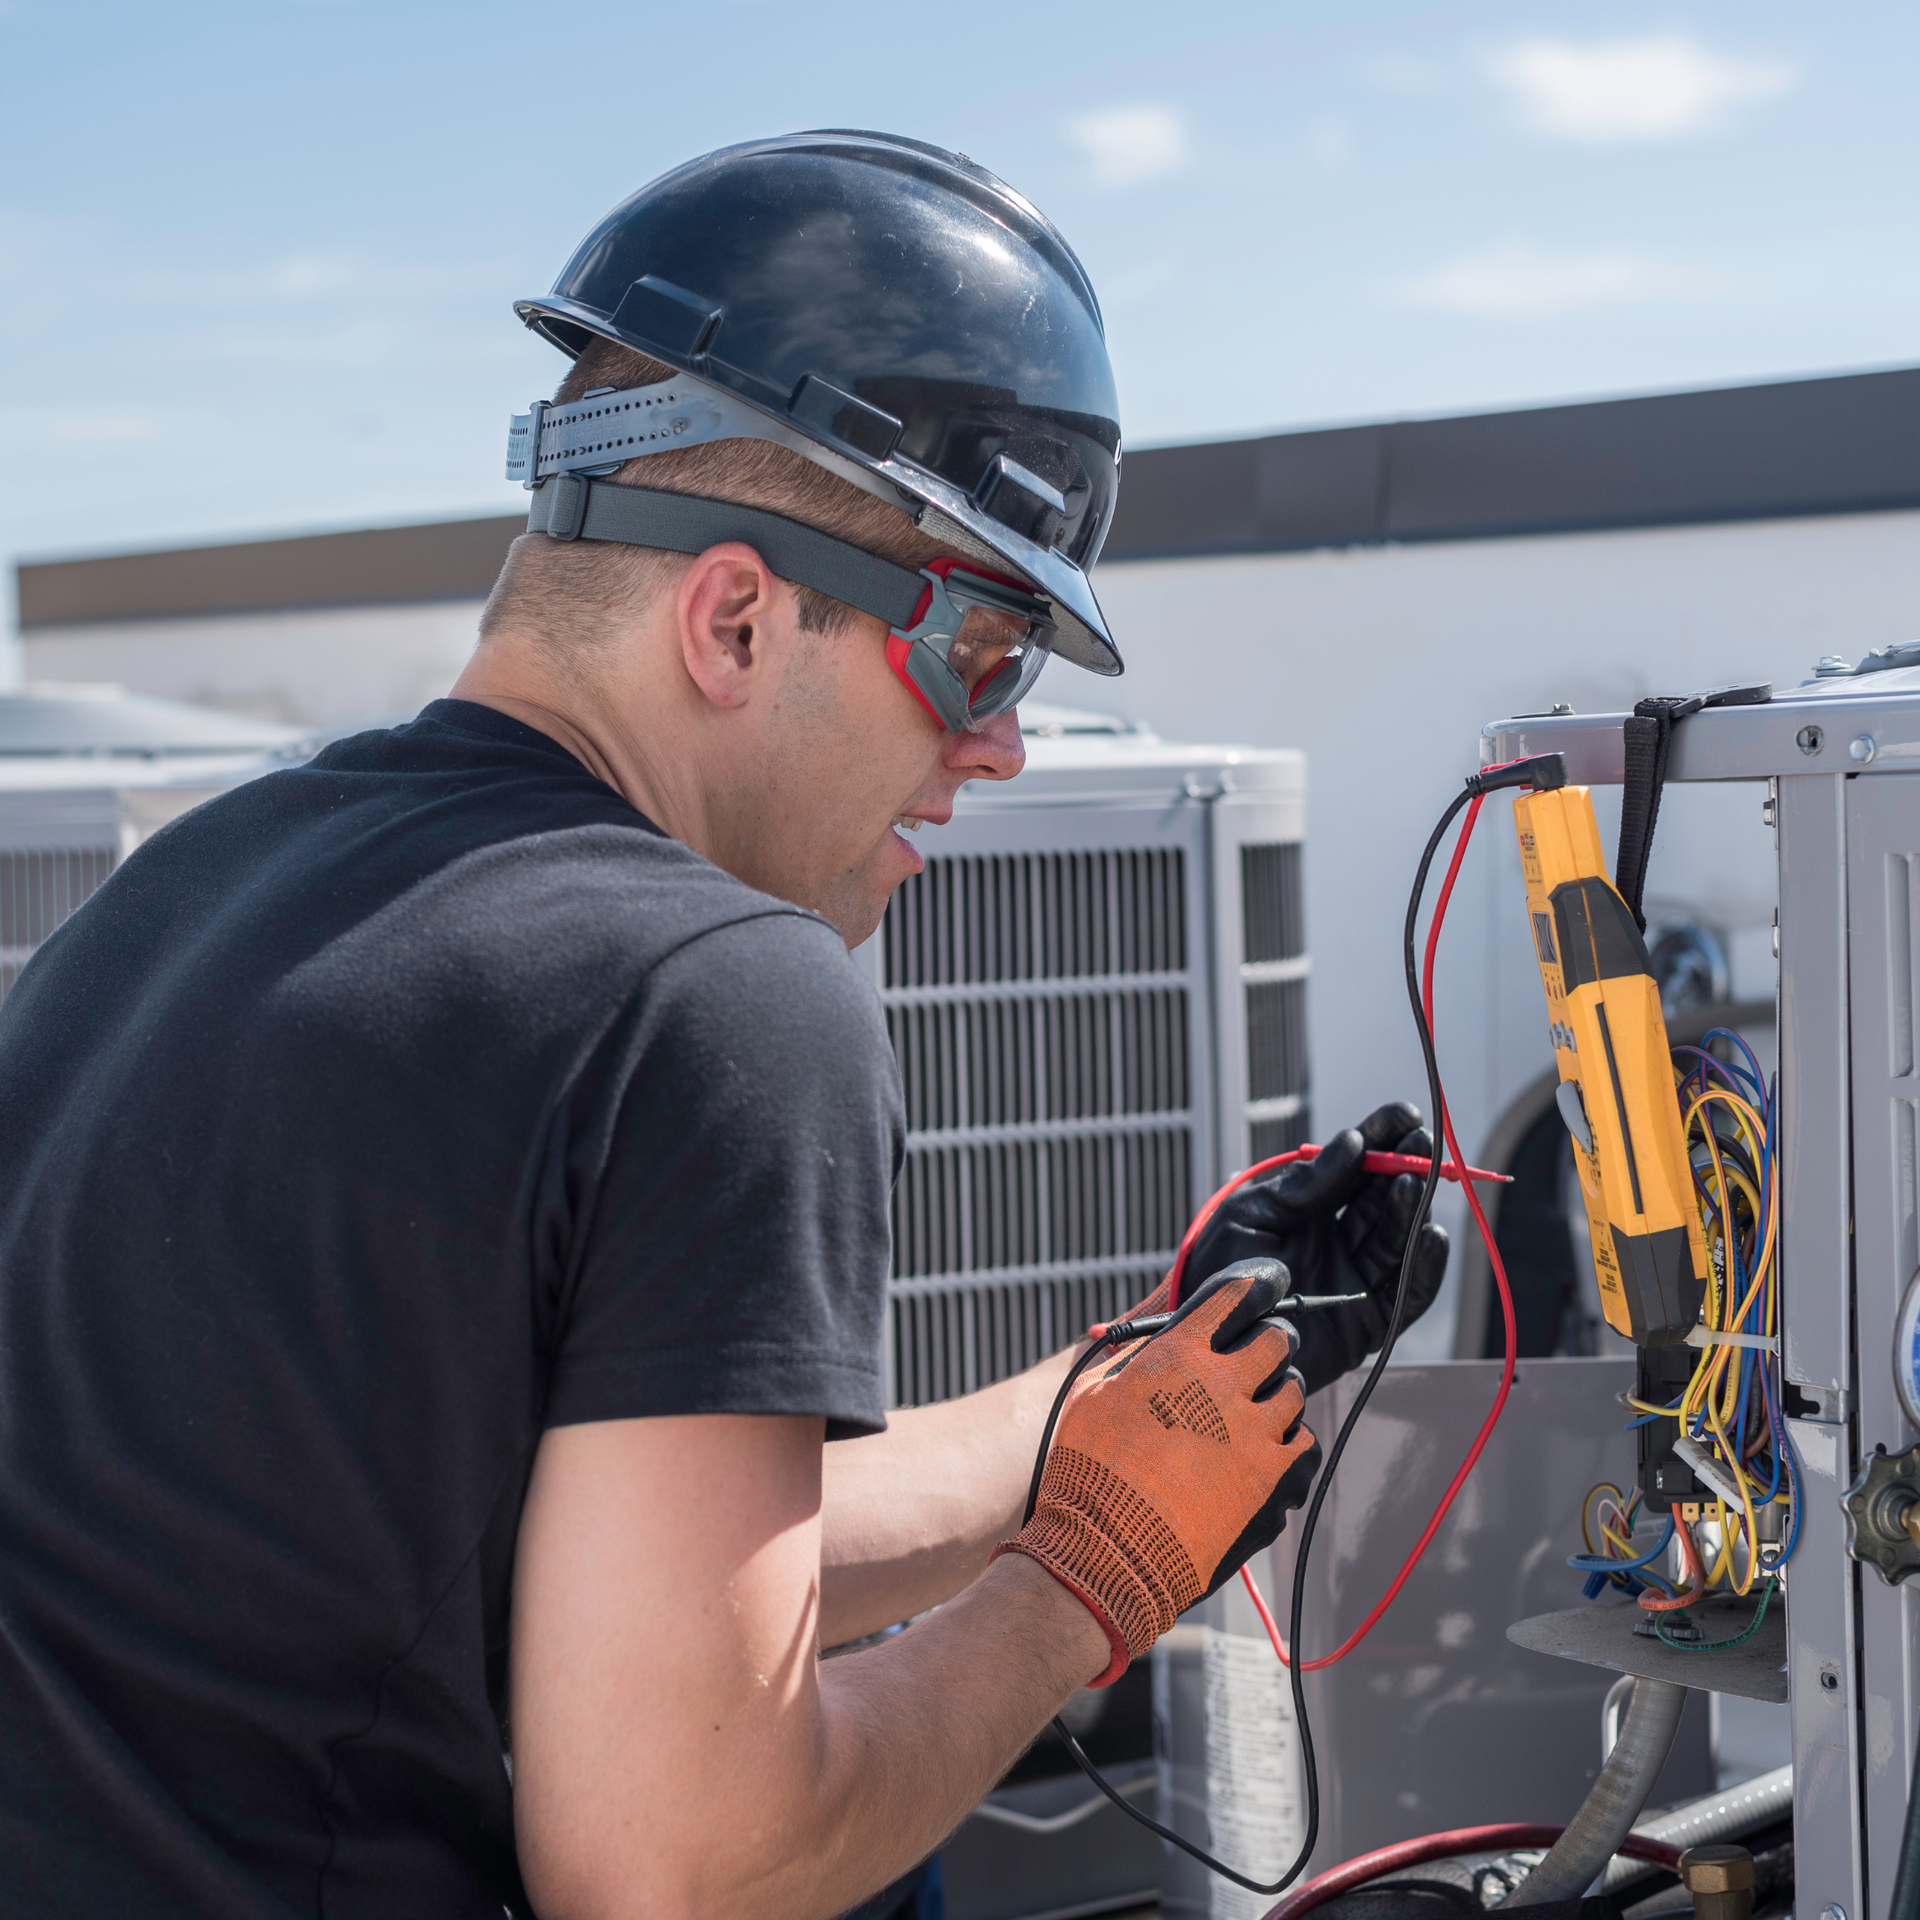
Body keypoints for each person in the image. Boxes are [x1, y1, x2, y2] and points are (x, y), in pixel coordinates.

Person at [0, 131, 1446, 1919]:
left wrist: (1144, 1383)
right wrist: (1093, 1575)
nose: (1000, 747)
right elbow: (683, 1863)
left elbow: (599, 1580)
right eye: (982, 656)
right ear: (738, 615)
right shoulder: (715, 993)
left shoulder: (176, 902)